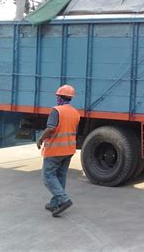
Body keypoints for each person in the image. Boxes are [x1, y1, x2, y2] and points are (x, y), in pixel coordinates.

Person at [37, 85, 80, 217]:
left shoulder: (57, 110)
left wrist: (40, 139)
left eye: (57, 97)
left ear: (60, 97)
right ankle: (54, 203)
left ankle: (64, 200)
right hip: (69, 150)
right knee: (60, 176)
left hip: (55, 150)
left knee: (48, 177)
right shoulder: (75, 113)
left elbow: (50, 128)